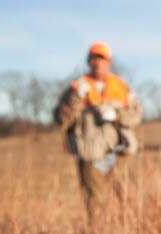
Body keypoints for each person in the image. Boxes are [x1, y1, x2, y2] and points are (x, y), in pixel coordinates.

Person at [54, 42, 142, 220]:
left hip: (119, 151)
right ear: (88, 62)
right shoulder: (77, 87)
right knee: (95, 199)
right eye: (93, 59)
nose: (97, 63)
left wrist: (116, 116)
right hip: (90, 152)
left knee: (127, 194)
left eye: (101, 59)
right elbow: (62, 119)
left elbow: (136, 115)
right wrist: (77, 98)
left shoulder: (120, 86)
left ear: (108, 62)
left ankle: (129, 230)